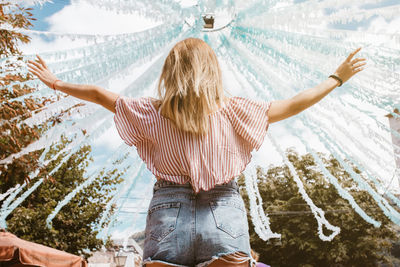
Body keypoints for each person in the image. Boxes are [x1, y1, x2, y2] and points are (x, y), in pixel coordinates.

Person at [27, 37, 366, 267]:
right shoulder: (236, 110)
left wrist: (56, 83)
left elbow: (100, 94)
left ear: (170, 72)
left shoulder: (151, 111)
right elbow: (294, 104)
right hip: (224, 211)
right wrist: (337, 77)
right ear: (212, 70)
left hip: (167, 212)